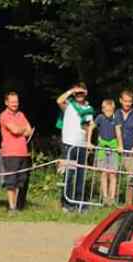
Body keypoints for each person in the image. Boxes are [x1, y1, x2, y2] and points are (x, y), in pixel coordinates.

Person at [57, 83, 94, 211]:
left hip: (81, 145)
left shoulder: (88, 108)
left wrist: (88, 142)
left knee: (80, 175)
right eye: (77, 93)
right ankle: (66, 203)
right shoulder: (69, 105)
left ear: (86, 93)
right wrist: (72, 90)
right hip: (69, 145)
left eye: (81, 92)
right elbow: (59, 100)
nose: (79, 95)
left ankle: (79, 203)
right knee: (69, 174)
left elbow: (88, 126)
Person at [0, 91, 33, 214]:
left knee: (21, 181)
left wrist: (21, 130)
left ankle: (17, 206)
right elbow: (14, 130)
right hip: (10, 153)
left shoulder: (21, 114)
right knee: (11, 181)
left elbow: (29, 131)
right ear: (6, 102)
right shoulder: (4, 115)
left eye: (16, 102)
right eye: (12, 102)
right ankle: (11, 207)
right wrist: (22, 129)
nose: (15, 104)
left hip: (23, 153)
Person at [88, 99, 122, 206]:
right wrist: (89, 142)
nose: (108, 112)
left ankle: (112, 198)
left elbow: (118, 132)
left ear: (113, 110)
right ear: (103, 110)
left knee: (113, 174)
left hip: (113, 147)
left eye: (110, 110)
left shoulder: (116, 118)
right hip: (102, 147)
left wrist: (120, 145)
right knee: (103, 173)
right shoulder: (100, 117)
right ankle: (105, 197)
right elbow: (91, 127)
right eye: (106, 110)